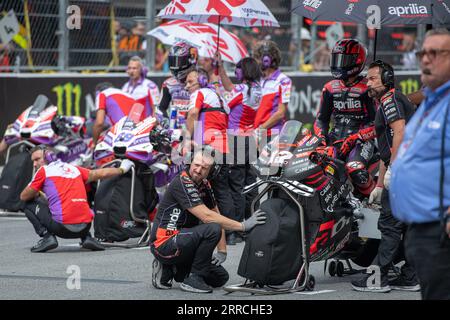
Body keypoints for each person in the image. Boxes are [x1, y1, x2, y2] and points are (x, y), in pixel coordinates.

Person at [150, 148, 266, 293]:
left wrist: (222, 251)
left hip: (183, 241)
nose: (198, 170)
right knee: (212, 229)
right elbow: (207, 217)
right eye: (196, 165)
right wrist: (243, 226)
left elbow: (214, 213)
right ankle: (192, 279)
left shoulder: (204, 184)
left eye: (204, 168)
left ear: (211, 171)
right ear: (190, 163)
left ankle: (172, 268)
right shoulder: (181, 181)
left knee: (220, 278)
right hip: (164, 243)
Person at [389, 28, 450, 300]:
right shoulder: (431, 101)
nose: (426, 59)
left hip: (441, 233)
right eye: (422, 53)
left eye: (436, 53)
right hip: (422, 231)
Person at [351, 60, 418, 293]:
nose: (367, 83)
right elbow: (385, 148)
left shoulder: (390, 100)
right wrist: (379, 183)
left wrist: (395, 168)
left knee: (389, 224)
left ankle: (377, 278)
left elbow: (400, 131)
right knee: (408, 226)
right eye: (367, 79)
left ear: (387, 79)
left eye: (372, 79)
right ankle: (411, 277)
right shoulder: (389, 101)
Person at [20, 145, 135, 252]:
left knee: (27, 204)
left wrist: (38, 192)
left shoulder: (44, 171)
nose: (34, 164)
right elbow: (101, 173)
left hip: (61, 228)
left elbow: (24, 196)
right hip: (85, 227)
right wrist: (122, 169)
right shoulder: (74, 169)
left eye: (37, 159)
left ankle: (47, 237)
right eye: (33, 161)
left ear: (49, 156)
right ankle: (86, 237)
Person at [313, 39, 377, 198]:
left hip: (360, 141)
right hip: (335, 140)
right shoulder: (329, 88)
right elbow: (321, 120)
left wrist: (357, 137)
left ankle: (374, 203)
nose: (339, 64)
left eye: (344, 59)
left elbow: (377, 124)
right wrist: (321, 138)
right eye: (337, 58)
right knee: (317, 164)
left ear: (357, 61)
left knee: (355, 170)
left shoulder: (368, 89)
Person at [184, 68, 236, 245]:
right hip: (223, 148)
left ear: (201, 81)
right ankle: (232, 233)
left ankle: (199, 228)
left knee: (195, 187)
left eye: (190, 81)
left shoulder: (199, 93)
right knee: (222, 191)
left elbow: (192, 113)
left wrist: (185, 139)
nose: (187, 86)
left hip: (206, 148)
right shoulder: (219, 97)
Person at [217, 55, 262, 244]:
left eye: (237, 68)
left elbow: (225, 106)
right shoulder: (257, 89)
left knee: (235, 186)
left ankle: (235, 229)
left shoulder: (242, 90)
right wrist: (220, 68)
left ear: (244, 71)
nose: (235, 71)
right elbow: (230, 87)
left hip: (235, 139)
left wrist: (215, 88)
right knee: (250, 183)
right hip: (250, 139)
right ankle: (254, 225)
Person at [252, 40, 291, 145]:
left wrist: (260, 129)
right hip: (256, 134)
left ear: (267, 59)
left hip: (273, 135)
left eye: (257, 57)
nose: (255, 61)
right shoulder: (256, 80)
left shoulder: (283, 80)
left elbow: (280, 113)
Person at [158, 42, 198, 130]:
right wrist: (166, 124)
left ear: (191, 59)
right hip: (174, 129)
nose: (175, 66)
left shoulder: (201, 82)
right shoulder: (168, 84)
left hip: (196, 128)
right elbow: (160, 109)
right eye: (173, 61)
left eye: (179, 61)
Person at [92, 82, 142, 147]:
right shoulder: (128, 95)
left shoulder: (102, 94)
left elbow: (99, 123)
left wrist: (94, 144)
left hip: (124, 134)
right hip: (140, 132)